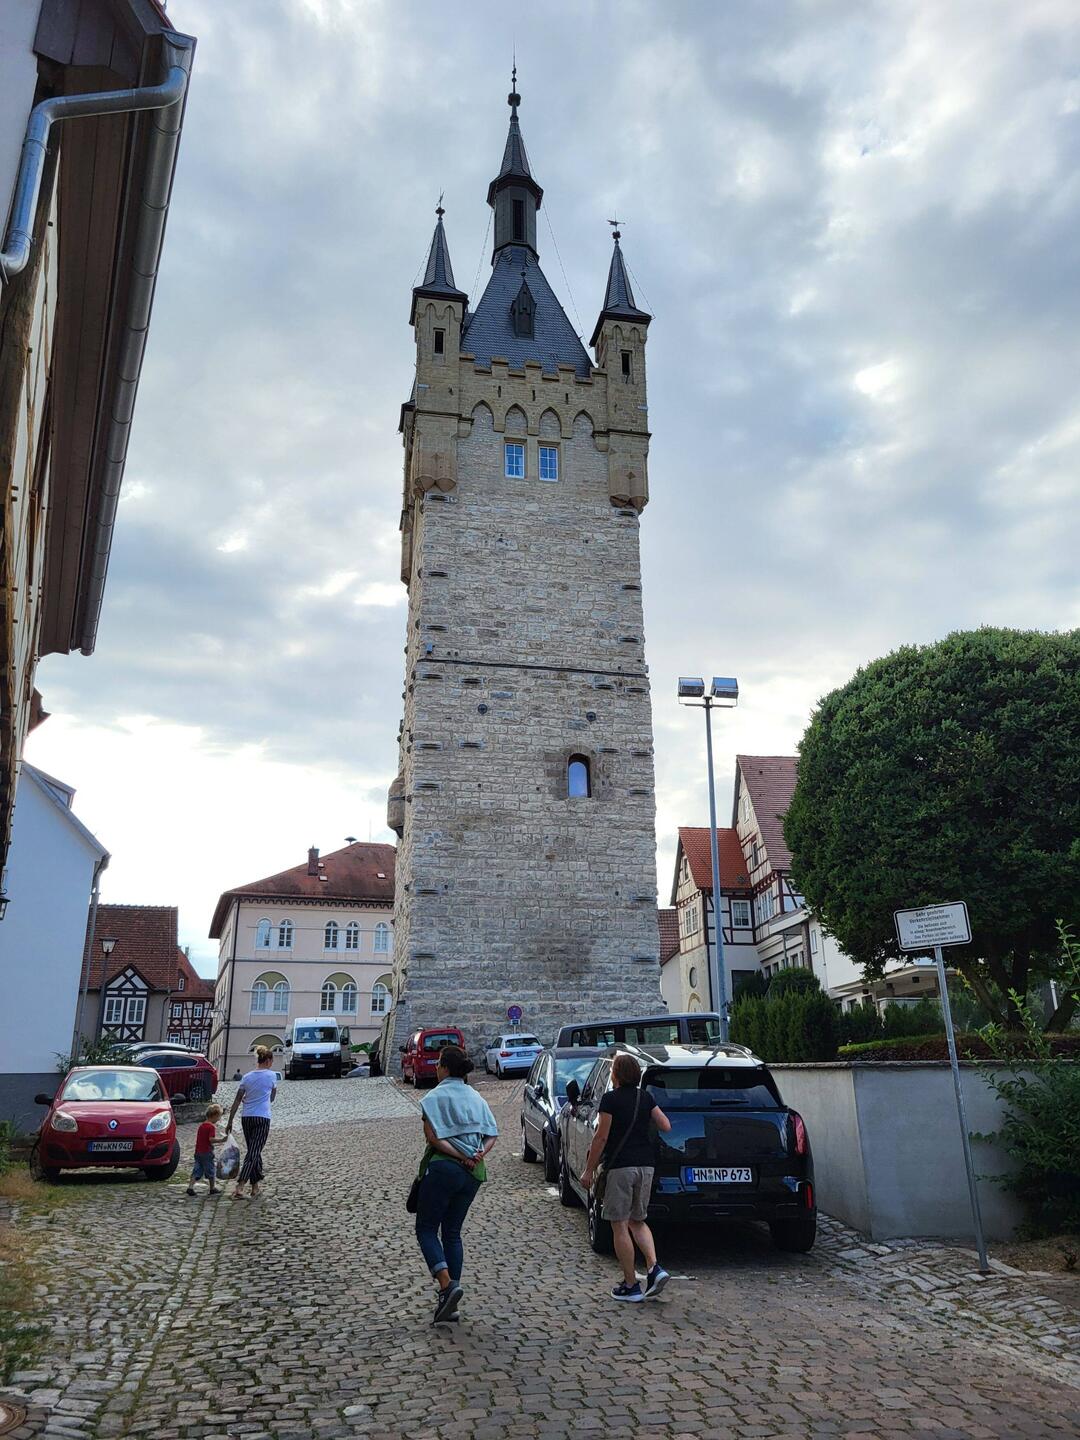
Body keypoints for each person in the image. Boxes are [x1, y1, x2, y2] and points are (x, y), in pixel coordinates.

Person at [415, 1045, 498, 1324]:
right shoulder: (476, 1097)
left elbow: (433, 1139)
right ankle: (451, 1298)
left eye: (439, 1063)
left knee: (426, 1228)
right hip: (472, 1175)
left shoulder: (432, 1098)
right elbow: (491, 1135)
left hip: (443, 1168)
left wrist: (459, 1154)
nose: (436, 1068)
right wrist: (477, 1155)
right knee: (452, 1232)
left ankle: (447, 1285)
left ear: (446, 1068)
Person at [581, 1051, 672, 1302]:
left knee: (619, 1224)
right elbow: (665, 1125)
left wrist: (589, 1170)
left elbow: (601, 1137)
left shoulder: (610, 1100)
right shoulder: (646, 1097)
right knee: (638, 1220)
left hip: (621, 1167)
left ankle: (631, 1285)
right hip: (646, 1166)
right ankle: (654, 1267)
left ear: (616, 1074)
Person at [225, 1045, 278, 1199]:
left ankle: (255, 1187)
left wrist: (229, 1122)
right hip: (262, 1117)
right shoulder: (272, 1076)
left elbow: (237, 1100)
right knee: (253, 1152)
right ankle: (240, 1185)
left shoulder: (247, 1077)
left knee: (254, 1152)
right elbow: (272, 1098)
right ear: (268, 1060)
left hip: (246, 1117)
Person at [186, 1102, 223, 1197]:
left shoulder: (202, 1125)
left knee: (197, 1169)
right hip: (207, 1152)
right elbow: (211, 1140)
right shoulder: (211, 1127)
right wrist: (221, 1140)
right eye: (219, 1117)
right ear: (214, 1115)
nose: (219, 1119)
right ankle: (212, 1188)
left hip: (198, 1152)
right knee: (211, 1169)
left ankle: (190, 1187)